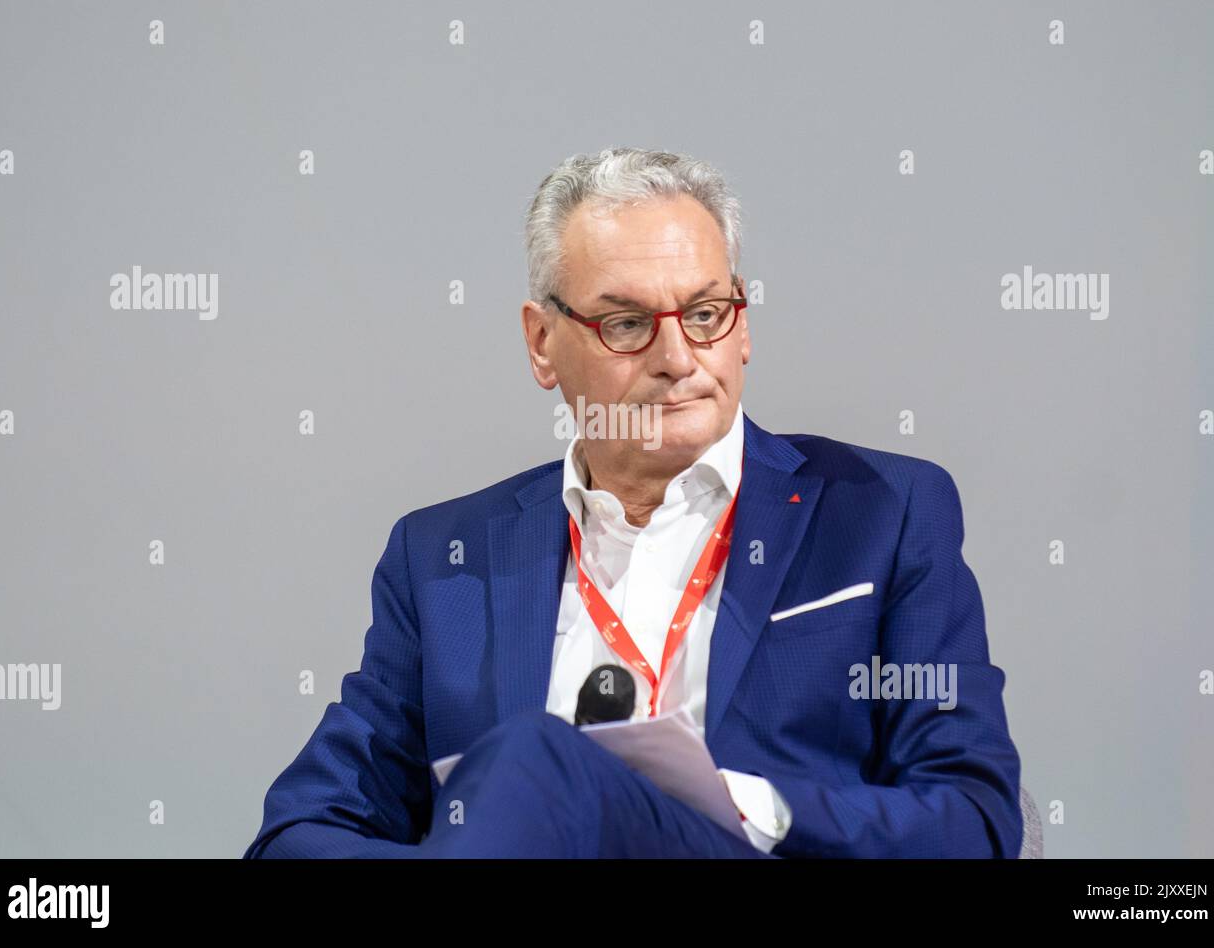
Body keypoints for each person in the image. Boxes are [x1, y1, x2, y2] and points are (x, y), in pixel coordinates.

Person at [243, 147, 1023, 859]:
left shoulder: (882, 516)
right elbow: (300, 834)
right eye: (627, 324)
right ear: (542, 344)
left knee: (537, 758)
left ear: (742, 326)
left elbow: (972, 821)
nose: (679, 359)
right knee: (537, 772)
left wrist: (746, 808)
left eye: (707, 314)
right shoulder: (445, 558)